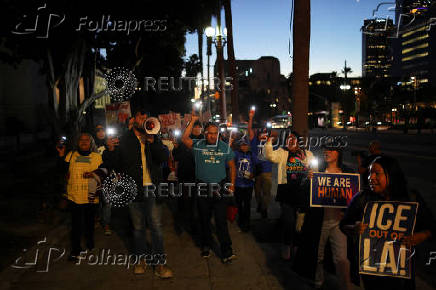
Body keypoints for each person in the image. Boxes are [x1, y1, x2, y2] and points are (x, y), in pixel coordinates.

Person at [340, 156, 436, 290]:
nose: (370, 177)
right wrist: (354, 228)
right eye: (369, 173)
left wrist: (421, 236)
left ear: (391, 174)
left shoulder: (411, 198)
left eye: (376, 173)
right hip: (370, 274)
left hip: (401, 274)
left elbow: (431, 226)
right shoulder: (363, 198)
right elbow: (344, 224)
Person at [103, 108, 173, 278]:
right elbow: (115, 165)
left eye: (146, 116)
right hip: (134, 190)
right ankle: (140, 260)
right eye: (141, 116)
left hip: (153, 189)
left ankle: (160, 264)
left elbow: (164, 158)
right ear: (133, 119)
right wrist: (110, 151)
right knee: (138, 228)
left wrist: (153, 140)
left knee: (156, 227)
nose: (143, 119)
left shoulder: (153, 136)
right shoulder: (124, 140)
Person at [294, 145, 352, 290]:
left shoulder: (347, 172)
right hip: (319, 221)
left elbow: (354, 197)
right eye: (325, 150)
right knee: (318, 255)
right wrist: (308, 181)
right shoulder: (318, 171)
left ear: (338, 153)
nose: (326, 152)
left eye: (330, 150)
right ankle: (318, 282)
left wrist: (349, 213)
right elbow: (304, 194)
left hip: (339, 221)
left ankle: (345, 285)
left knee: (342, 259)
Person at [181, 113, 237, 263]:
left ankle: (226, 250)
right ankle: (206, 245)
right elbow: (184, 138)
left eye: (215, 133)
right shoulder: (198, 145)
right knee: (204, 219)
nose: (213, 136)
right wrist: (192, 121)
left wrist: (232, 184)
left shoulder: (225, 147)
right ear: (205, 134)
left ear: (218, 134)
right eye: (210, 133)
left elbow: (232, 167)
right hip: (202, 187)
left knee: (220, 221)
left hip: (219, 187)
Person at [264, 132, 316, 260]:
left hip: (303, 192)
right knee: (289, 221)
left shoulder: (307, 154)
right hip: (286, 191)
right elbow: (270, 156)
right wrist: (270, 140)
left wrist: (312, 173)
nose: (290, 141)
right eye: (288, 139)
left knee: (300, 223)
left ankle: (297, 245)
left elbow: (314, 169)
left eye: (293, 138)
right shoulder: (282, 152)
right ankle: (287, 245)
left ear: (298, 141)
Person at [56, 133, 103, 261]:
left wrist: (94, 174)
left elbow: (104, 173)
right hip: (74, 197)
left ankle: (90, 244)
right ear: (78, 142)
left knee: (89, 223)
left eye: (86, 140)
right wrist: (61, 155)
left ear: (91, 142)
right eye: (81, 140)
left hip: (91, 197)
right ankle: (75, 250)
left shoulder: (97, 157)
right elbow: (62, 170)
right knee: (76, 225)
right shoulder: (71, 155)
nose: (83, 142)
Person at [248, 110, 272, 218]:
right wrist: (251, 118)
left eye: (265, 134)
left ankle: (264, 209)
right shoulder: (254, 142)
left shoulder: (269, 143)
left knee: (267, 192)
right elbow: (249, 129)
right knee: (257, 192)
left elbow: (274, 134)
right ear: (258, 135)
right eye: (261, 134)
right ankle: (260, 204)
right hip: (257, 170)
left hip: (267, 171)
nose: (263, 136)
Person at [233, 138, 257, 232]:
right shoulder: (236, 154)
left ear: (248, 146)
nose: (244, 147)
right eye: (242, 145)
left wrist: (253, 174)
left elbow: (258, 165)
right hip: (238, 184)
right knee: (239, 204)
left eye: (245, 145)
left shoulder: (252, 155)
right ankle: (240, 221)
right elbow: (230, 164)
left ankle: (246, 224)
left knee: (247, 204)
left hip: (248, 185)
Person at [94, 124, 112, 236]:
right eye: (98, 130)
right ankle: (97, 218)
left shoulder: (109, 144)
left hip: (107, 178)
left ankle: (106, 224)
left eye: (102, 130)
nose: (100, 132)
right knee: (96, 201)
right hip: (94, 178)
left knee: (107, 202)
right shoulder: (91, 146)